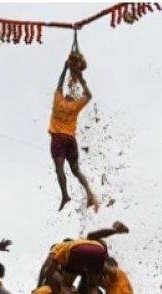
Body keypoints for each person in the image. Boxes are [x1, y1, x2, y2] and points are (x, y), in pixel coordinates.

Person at [39, 222, 130, 294]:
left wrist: (54, 290)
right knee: (92, 286)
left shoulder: (61, 248)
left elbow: (48, 270)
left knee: (66, 285)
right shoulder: (88, 241)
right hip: (98, 252)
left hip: (79, 253)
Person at [48, 54, 98, 212]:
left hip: (59, 139)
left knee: (59, 169)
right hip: (70, 140)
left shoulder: (58, 101)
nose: (69, 94)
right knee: (75, 170)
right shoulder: (74, 106)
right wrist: (81, 78)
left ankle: (65, 195)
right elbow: (89, 95)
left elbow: (60, 83)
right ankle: (89, 193)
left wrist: (65, 68)